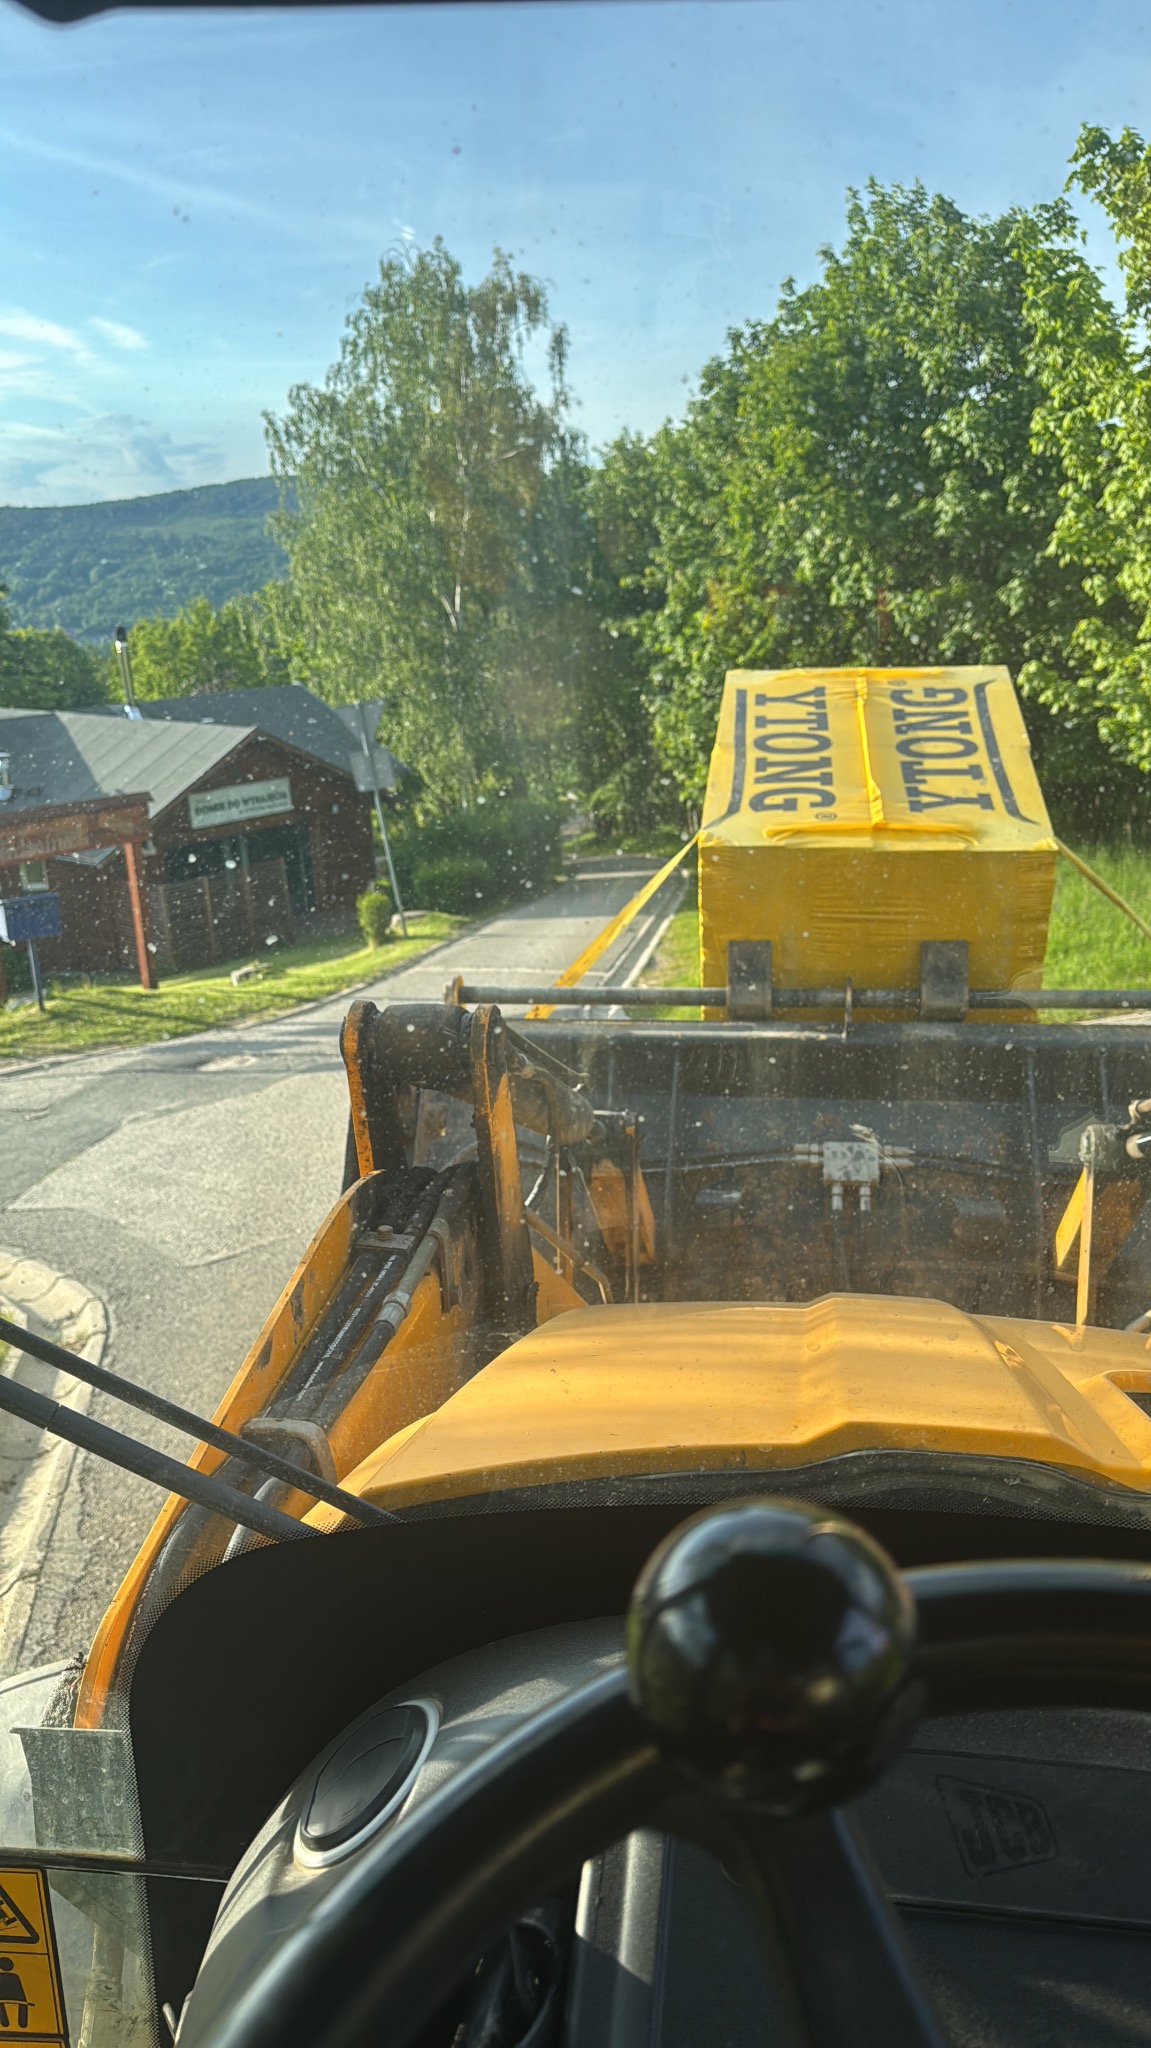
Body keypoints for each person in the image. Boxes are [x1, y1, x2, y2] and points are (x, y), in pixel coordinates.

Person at [0, 1956, 29, 2030]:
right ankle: (22, 2023)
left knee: (0, 2006)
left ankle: (4, 2022)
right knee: (23, 2006)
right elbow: (20, 1991)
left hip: (3, 1998)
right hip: (18, 1999)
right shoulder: (15, 1976)